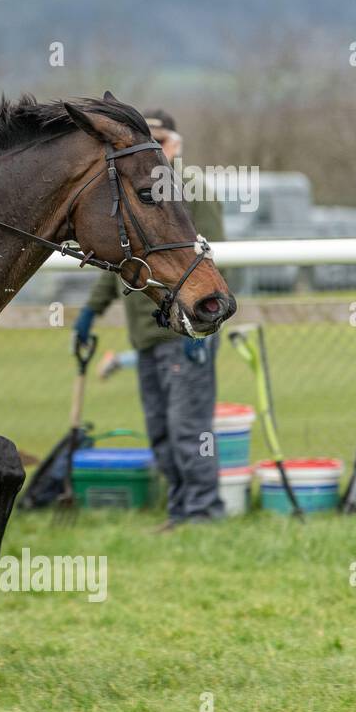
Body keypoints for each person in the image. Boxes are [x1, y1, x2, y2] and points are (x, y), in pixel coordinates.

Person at [72, 110, 227, 531]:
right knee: (159, 428)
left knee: (188, 427)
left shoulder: (190, 189)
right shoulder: (131, 192)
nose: (155, 146)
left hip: (186, 332)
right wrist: (90, 311)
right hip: (146, 334)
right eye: (150, 138)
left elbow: (213, 261)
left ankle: (203, 509)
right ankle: (180, 509)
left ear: (175, 145)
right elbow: (121, 262)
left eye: (161, 138)